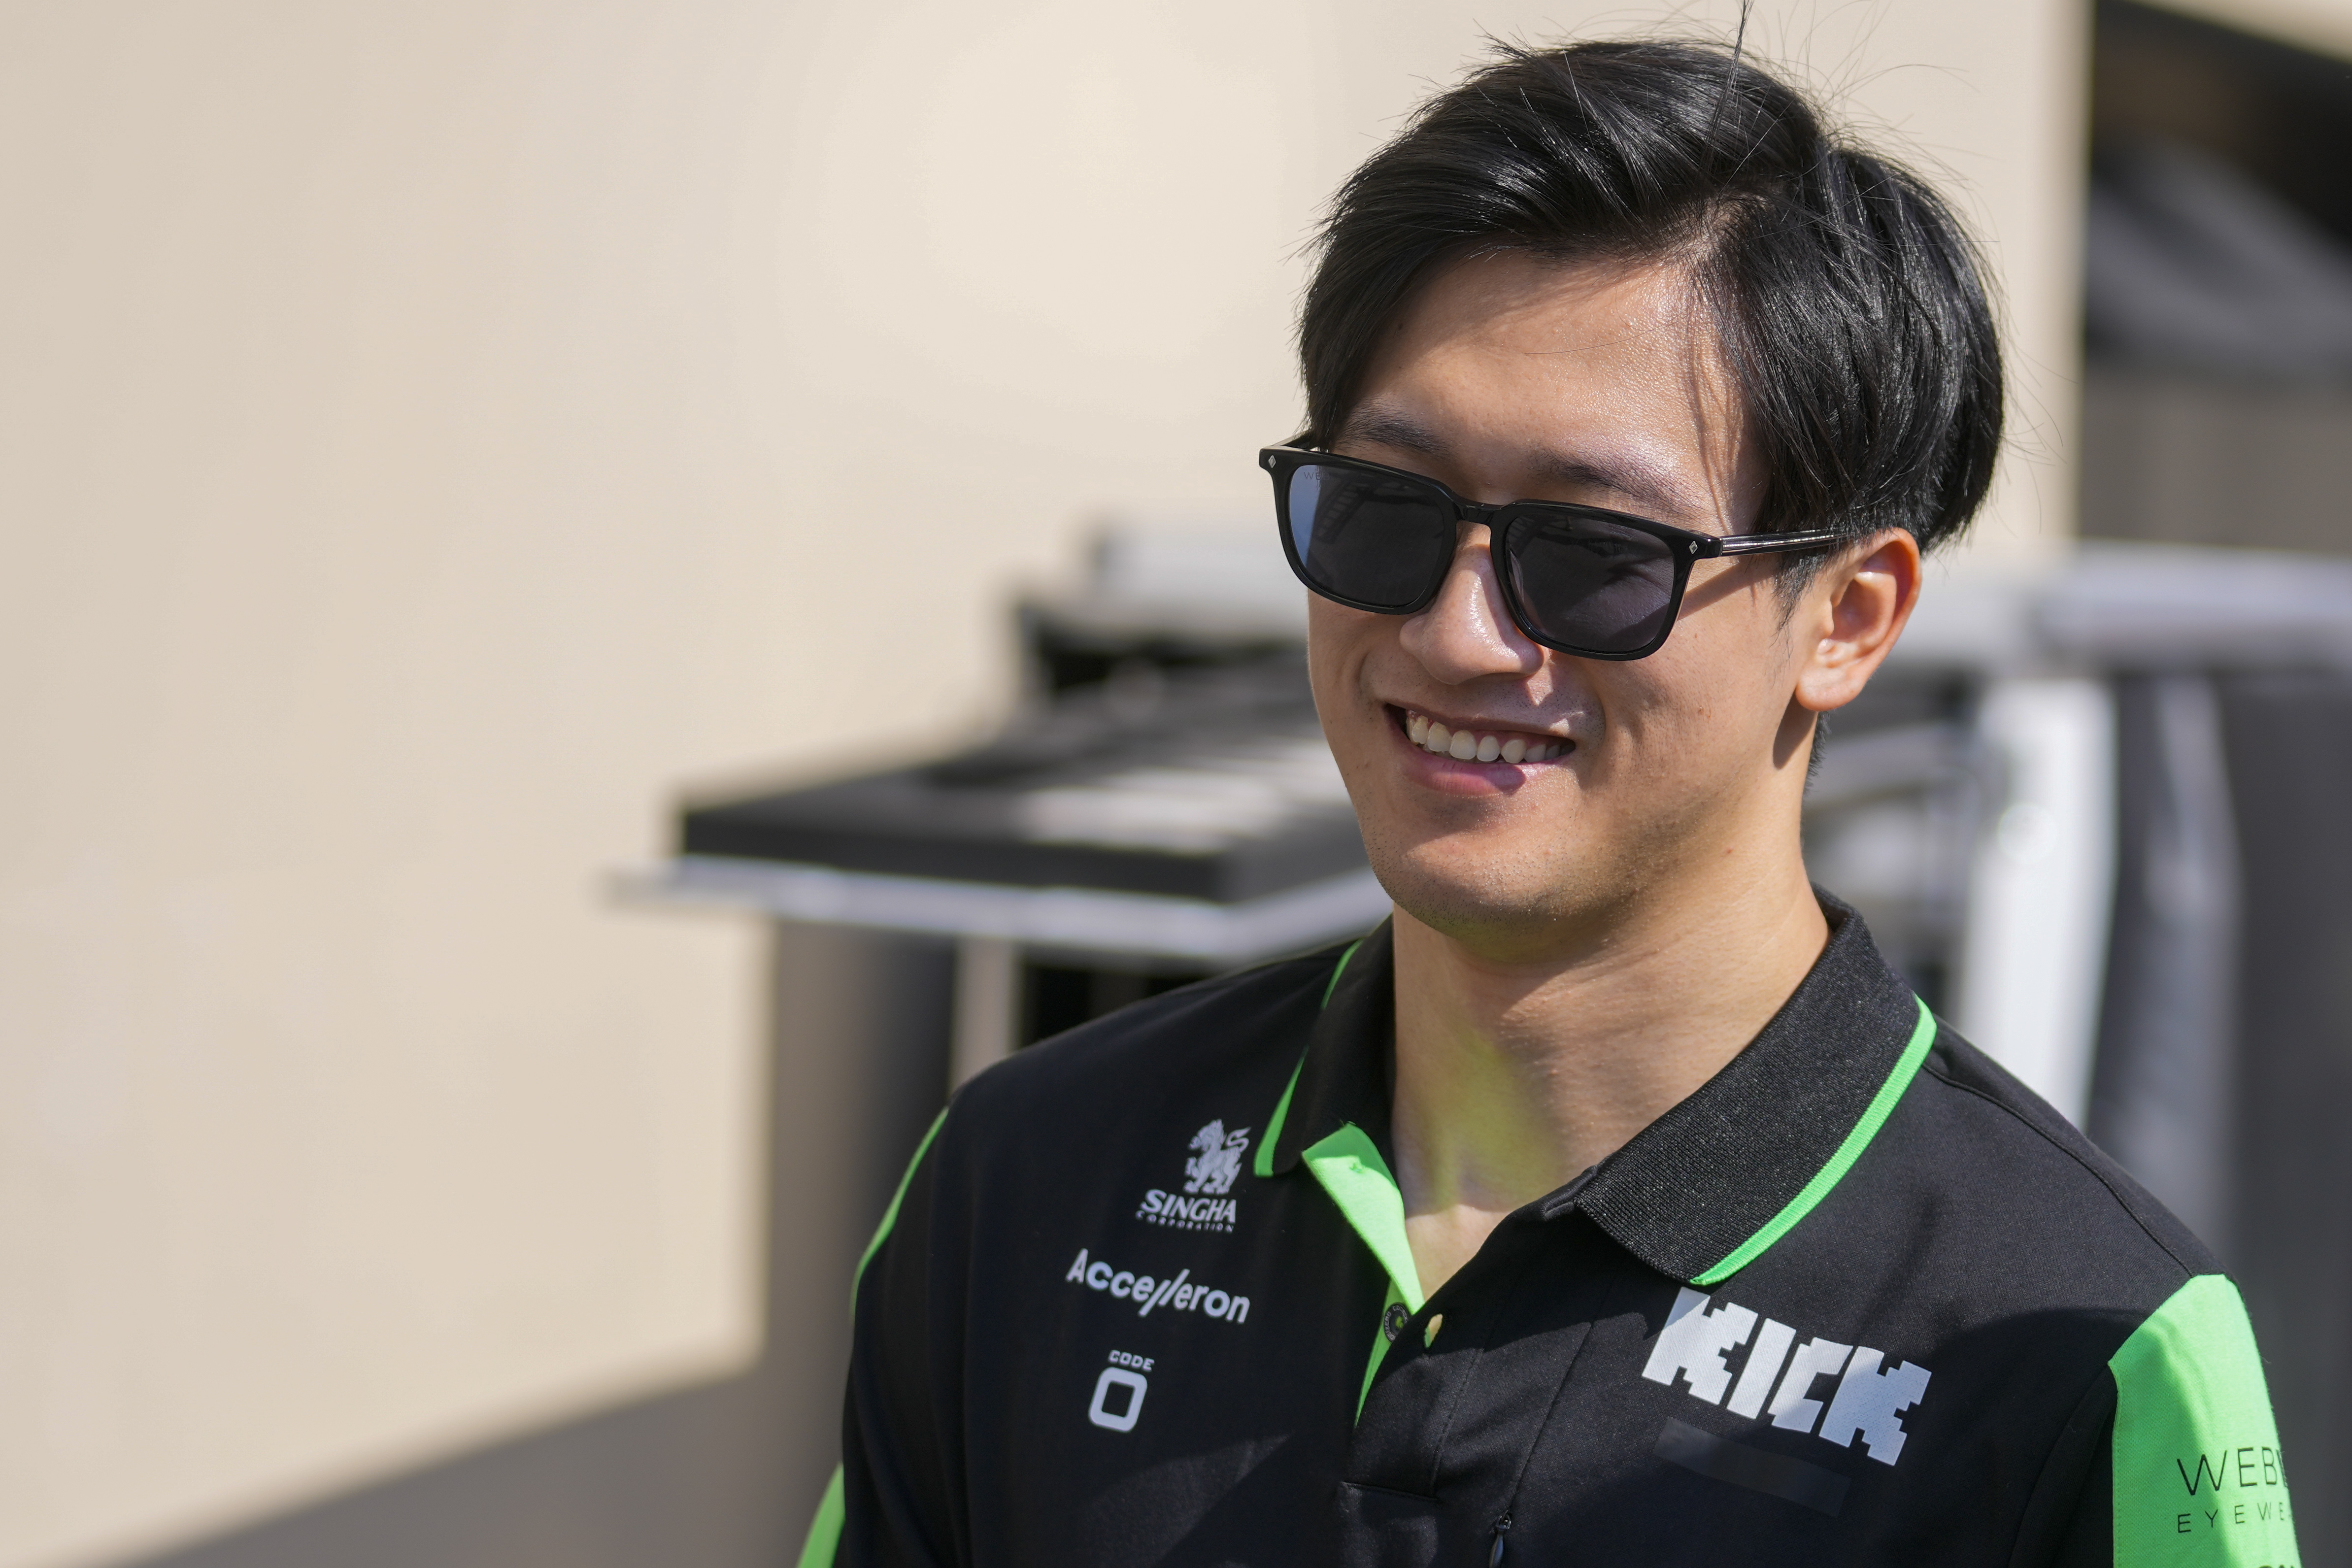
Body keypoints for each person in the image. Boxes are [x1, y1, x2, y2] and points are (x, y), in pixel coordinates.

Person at [803, 37, 2296, 1568]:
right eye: (1387, 509)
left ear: (1849, 616)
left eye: (1592, 553)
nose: (1456, 634)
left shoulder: (2081, 1347)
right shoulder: (1031, 1174)